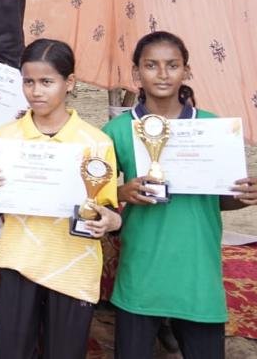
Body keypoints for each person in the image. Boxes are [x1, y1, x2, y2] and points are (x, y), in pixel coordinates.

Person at [105, 31, 257, 358]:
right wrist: (122, 192)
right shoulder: (117, 131)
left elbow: (220, 199)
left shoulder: (212, 128)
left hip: (197, 274)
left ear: (186, 71)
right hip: (141, 271)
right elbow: (93, 195)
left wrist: (245, 194)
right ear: (136, 73)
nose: (162, 74)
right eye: (151, 65)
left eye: (172, 65)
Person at [0, 39, 121, 359]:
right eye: (28, 82)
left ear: (70, 83)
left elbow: (106, 207)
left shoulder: (96, 143)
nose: (36, 91)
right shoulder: (4, 138)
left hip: (73, 265)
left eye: (46, 82)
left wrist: (109, 220)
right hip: (19, 260)